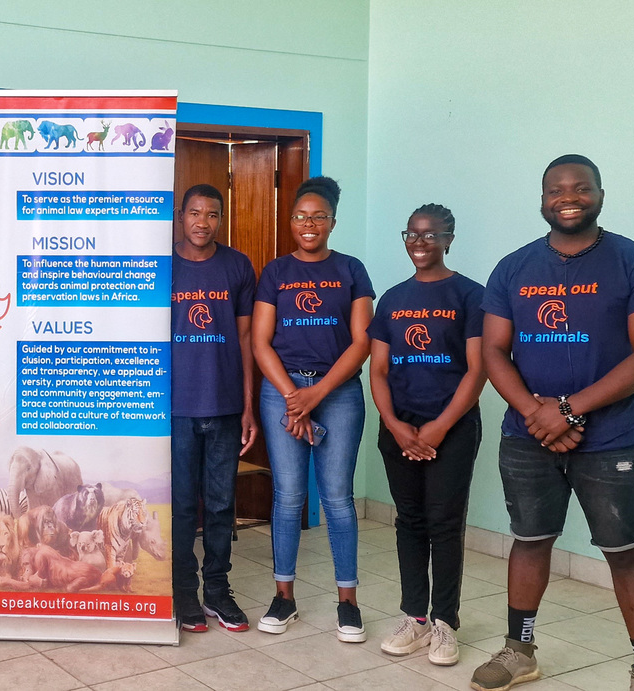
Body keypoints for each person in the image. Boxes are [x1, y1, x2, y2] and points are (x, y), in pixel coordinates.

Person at [471, 155, 634, 691]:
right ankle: (520, 651)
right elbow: (494, 351)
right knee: (530, 539)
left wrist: (567, 408)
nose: (569, 197)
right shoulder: (513, 268)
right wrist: (537, 413)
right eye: (556, 190)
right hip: (527, 436)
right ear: (541, 200)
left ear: (600, 194)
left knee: (624, 550)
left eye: (581, 188)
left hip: (610, 439)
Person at [251, 176, 374, 643]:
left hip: (337, 393)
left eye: (318, 216)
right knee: (287, 496)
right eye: (301, 216)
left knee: (338, 498)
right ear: (291, 221)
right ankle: (284, 597)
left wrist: (315, 394)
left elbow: (361, 341)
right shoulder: (276, 272)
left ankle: (348, 603)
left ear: (332, 222)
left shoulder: (351, 269)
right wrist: (292, 396)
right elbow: (261, 343)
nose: (309, 224)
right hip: (282, 390)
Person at [368, 204, 485, 667]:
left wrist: (437, 427)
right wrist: (397, 426)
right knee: (409, 521)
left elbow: (477, 371)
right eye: (412, 235)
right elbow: (377, 370)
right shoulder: (393, 299)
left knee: (444, 523)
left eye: (431, 235)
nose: (420, 243)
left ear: (449, 238)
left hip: (450, 430)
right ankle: (415, 618)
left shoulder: (470, 295)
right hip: (399, 430)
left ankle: (445, 623)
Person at [169, 184, 259, 633]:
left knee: (222, 505)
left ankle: (217, 591)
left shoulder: (237, 266)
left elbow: (246, 339)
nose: (203, 222)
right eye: (195, 213)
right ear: (180, 216)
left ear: (221, 220)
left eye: (212, 214)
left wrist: (247, 405)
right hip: (175, 409)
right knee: (182, 505)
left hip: (224, 407)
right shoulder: (162, 267)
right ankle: (183, 591)